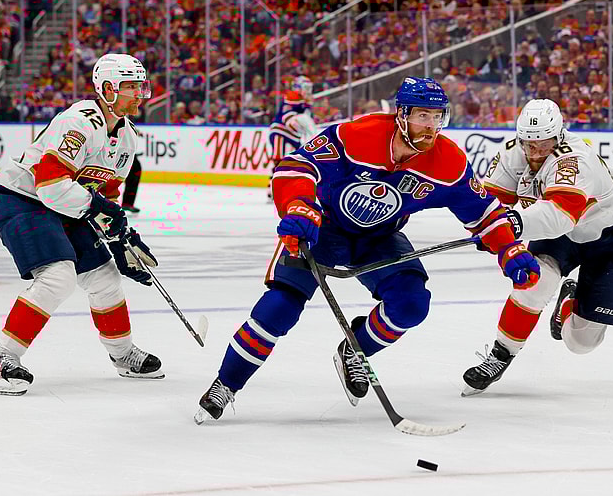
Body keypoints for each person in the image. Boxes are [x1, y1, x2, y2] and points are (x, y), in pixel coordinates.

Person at [194, 77, 541, 423]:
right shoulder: (354, 137)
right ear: (401, 115)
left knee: (411, 304)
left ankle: (355, 350)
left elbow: (484, 213)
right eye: (423, 116)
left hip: (379, 237)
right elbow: (294, 167)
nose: (432, 126)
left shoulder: (448, 163)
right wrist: (299, 207)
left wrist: (510, 250)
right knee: (279, 307)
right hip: (323, 228)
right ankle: (225, 384)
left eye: (438, 117)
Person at [0, 54, 164, 396]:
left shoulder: (127, 138)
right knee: (58, 275)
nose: (139, 94)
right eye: (131, 87)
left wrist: (120, 237)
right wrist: (102, 210)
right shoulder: (80, 120)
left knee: (105, 277)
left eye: (141, 86)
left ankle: (123, 354)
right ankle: (1, 360)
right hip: (23, 198)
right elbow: (50, 185)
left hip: (63, 206)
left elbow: (104, 193)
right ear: (108, 89)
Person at [461, 99, 613, 396]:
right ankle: (500, 355)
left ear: (558, 136)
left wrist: (513, 224)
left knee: (581, 343)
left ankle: (569, 302)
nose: (535, 152)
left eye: (543, 144)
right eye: (529, 145)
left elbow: (560, 216)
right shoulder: (512, 153)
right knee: (533, 283)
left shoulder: (574, 159)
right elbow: (488, 202)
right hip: (559, 233)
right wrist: (487, 225)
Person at [266, 75, 318, 202]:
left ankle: (284, 188)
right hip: (281, 130)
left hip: (294, 134)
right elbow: (287, 117)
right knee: (279, 160)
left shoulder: (306, 100)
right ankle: (272, 188)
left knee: (293, 161)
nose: (308, 90)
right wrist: (299, 122)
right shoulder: (292, 96)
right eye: (305, 87)